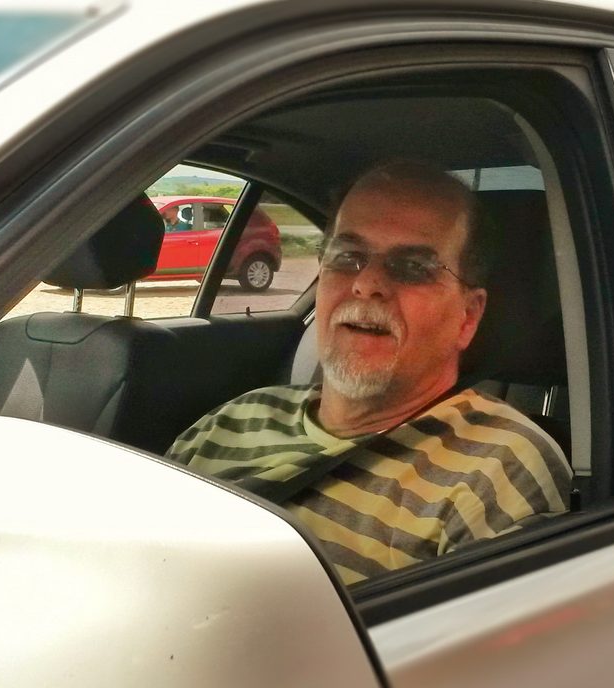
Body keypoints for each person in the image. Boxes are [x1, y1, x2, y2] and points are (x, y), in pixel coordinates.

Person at [166, 161, 572, 584]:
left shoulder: (497, 473)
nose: (367, 284)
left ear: (468, 316)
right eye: (348, 257)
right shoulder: (230, 421)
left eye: (413, 267)